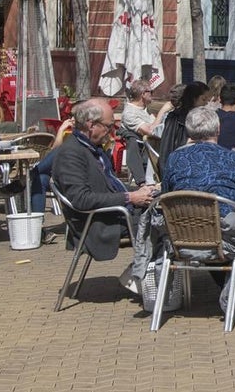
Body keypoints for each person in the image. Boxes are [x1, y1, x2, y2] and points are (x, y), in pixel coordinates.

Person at [157, 107, 235, 319]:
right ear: (218, 130)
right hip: (225, 239)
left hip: (181, 239)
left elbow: (166, 195)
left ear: (189, 132)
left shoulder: (174, 159)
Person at [50, 99, 156, 287]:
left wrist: (142, 190)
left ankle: (148, 276)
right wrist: (130, 197)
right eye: (108, 126)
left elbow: (110, 185)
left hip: (115, 212)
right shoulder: (71, 153)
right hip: (97, 222)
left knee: (162, 206)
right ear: (91, 125)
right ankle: (146, 279)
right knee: (163, 224)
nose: (112, 131)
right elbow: (81, 199)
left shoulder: (93, 149)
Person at [158, 82, 210, 175]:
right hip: (179, 169)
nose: (206, 103)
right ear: (194, 99)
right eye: (203, 99)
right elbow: (166, 149)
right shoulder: (176, 119)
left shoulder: (204, 119)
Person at [120, 79, 165, 186]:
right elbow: (151, 131)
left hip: (155, 144)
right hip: (145, 148)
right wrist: (162, 111)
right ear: (143, 94)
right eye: (151, 92)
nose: (153, 95)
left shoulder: (145, 109)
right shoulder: (130, 113)